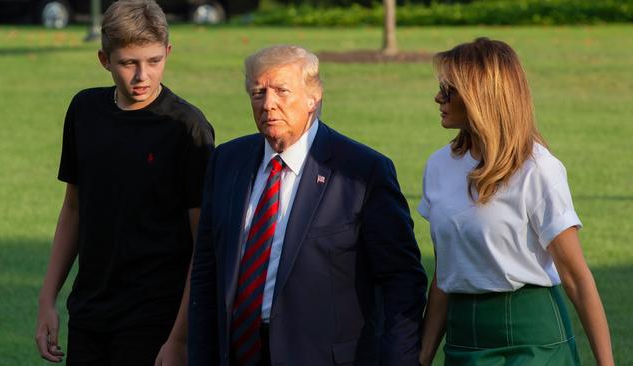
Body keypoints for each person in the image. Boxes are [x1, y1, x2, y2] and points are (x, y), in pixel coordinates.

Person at [188, 44, 428, 366]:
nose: (268, 104)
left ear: (313, 98)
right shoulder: (228, 162)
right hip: (239, 352)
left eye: (281, 91)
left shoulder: (361, 171)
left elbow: (402, 280)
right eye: (258, 93)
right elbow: (207, 271)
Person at [34, 0, 215, 364]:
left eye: (154, 61)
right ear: (104, 59)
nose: (142, 76)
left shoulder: (188, 129)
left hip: (155, 319)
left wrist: (179, 338)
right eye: (128, 63)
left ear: (168, 52)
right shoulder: (84, 111)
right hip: (89, 312)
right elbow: (74, 207)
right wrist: (47, 300)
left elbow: (204, 244)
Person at [417, 37, 614, 366]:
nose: (438, 97)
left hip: (533, 338)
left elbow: (577, 278)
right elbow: (445, 272)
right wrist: (422, 357)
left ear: (481, 96)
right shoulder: (439, 166)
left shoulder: (538, 170)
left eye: (448, 90)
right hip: (464, 338)